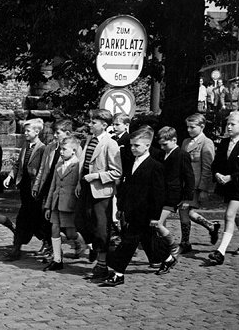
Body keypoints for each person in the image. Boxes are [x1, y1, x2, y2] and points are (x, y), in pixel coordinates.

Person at [99, 128, 165, 287]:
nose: (132, 148)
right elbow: (126, 187)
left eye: (137, 145)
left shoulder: (155, 166)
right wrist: (121, 206)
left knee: (128, 242)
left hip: (145, 212)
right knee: (148, 239)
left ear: (147, 145)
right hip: (131, 209)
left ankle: (118, 273)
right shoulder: (130, 163)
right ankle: (167, 257)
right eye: (131, 145)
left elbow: (158, 194)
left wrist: (156, 216)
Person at [77, 109, 122, 281]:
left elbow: (117, 172)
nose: (90, 125)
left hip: (101, 192)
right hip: (85, 188)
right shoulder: (89, 140)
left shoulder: (110, 144)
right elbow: (83, 165)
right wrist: (78, 184)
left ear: (104, 125)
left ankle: (102, 265)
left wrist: (96, 176)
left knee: (101, 228)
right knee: (80, 222)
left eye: (93, 122)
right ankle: (96, 248)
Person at [33, 119, 82, 258]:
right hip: (50, 186)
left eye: (58, 133)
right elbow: (43, 168)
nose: (55, 135)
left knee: (69, 229)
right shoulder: (50, 148)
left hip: (68, 192)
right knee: (49, 222)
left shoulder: (76, 150)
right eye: (54, 132)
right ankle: (55, 254)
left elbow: (79, 170)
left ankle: (81, 242)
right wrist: (37, 185)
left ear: (66, 133)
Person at [208, 110, 239, 265]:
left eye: (233, 124)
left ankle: (221, 251)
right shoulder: (224, 143)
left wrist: (231, 177)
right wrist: (218, 174)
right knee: (237, 214)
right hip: (227, 186)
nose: (229, 127)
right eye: (228, 124)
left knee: (229, 214)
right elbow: (216, 163)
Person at [2, 119, 46, 261]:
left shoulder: (42, 148)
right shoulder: (25, 146)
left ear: (37, 132)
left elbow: (42, 170)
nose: (25, 133)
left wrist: (38, 187)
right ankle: (17, 247)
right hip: (24, 187)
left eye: (28, 131)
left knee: (33, 218)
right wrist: (10, 176)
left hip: (35, 189)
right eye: (25, 131)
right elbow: (18, 165)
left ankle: (47, 242)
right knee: (25, 218)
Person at [153, 126, 195, 275]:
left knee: (157, 223)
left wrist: (186, 198)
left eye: (165, 144)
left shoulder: (181, 154)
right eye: (161, 144)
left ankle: (173, 248)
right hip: (160, 195)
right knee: (157, 226)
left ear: (174, 140)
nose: (162, 147)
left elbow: (189, 177)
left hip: (173, 195)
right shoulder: (161, 155)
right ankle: (164, 254)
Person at [44, 136, 87, 271]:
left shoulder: (78, 165)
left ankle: (84, 242)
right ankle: (57, 260)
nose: (61, 152)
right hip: (56, 202)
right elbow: (53, 186)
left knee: (70, 234)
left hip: (69, 203)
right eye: (61, 149)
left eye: (64, 149)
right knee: (54, 228)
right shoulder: (59, 165)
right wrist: (48, 206)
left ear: (74, 150)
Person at [180, 113, 220, 253]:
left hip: (195, 184)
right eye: (188, 127)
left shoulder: (206, 142)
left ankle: (185, 242)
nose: (189, 130)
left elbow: (207, 167)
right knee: (188, 211)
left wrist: (204, 188)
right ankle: (210, 226)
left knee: (184, 210)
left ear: (201, 127)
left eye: (192, 127)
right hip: (184, 183)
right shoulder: (185, 142)